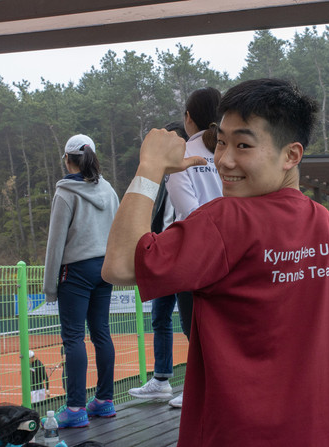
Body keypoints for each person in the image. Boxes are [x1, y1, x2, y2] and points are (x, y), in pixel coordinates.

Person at [101, 78, 329, 446]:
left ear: (292, 155)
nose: (224, 160)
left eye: (243, 145)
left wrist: (149, 169)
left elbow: (118, 265)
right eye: (222, 142)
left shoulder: (226, 220)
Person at [43, 134, 120, 428]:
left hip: (75, 271)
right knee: (101, 333)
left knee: (73, 337)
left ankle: (75, 408)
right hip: (105, 268)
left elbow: (56, 243)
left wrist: (51, 287)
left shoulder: (65, 193)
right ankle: (104, 401)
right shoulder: (110, 190)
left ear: (67, 159)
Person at [128, 122, 189, 405]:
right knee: (159, 316)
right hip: (165, 252)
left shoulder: (192, 171)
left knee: (192, 322)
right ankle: (161, 379)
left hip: (187, 255)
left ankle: (197, 384)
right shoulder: (165, 176)